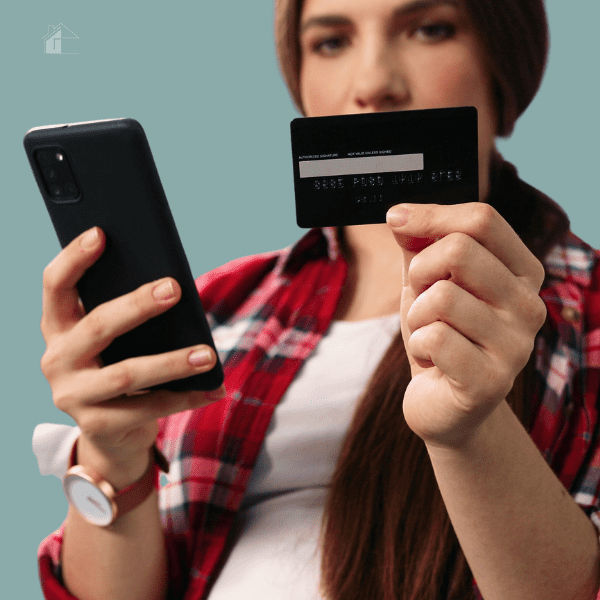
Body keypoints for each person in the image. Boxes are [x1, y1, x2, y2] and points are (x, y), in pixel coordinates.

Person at [34, 0, 600, 598]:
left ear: (504, 62)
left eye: (430, 29)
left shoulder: (587, 312)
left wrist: (470, 429)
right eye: (331, 41)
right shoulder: (219, 308)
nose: (374, 84)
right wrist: (114, 456)